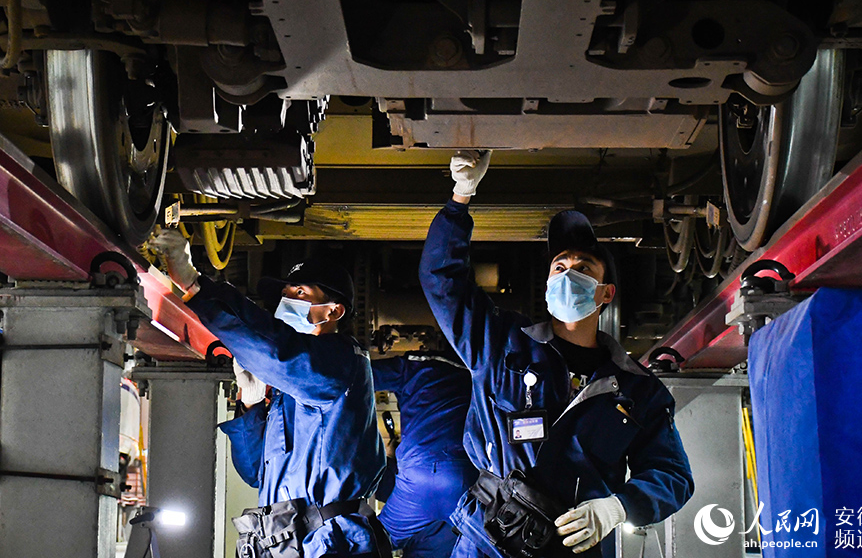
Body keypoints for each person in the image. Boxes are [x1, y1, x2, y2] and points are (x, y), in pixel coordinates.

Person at [418, 151, 694, 558]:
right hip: (489, 538)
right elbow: (442, 282)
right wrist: (460, 198)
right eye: (559, 267)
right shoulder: (500, 342)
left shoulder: (638, 390)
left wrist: (619, 507)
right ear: (547, 286)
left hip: (571, 546)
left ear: (605, 294)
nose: (568, 273)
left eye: (583, 268)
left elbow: (673, 475)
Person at [149, 230, 389, 558]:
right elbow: (254, 473)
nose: (286, 299)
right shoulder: (290, 391)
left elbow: (277, 352)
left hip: (331, 544)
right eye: (285, 292)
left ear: (333, 311)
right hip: (286, 541)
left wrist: (196, 286)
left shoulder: (341, 362)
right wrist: (249, 405)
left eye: (300, 291)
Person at [370, 352, 478, 558]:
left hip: (422, 474)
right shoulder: (476, 373)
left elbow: (358, 376)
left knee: (374, 544)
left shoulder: (416, 368)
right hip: (468, 477)